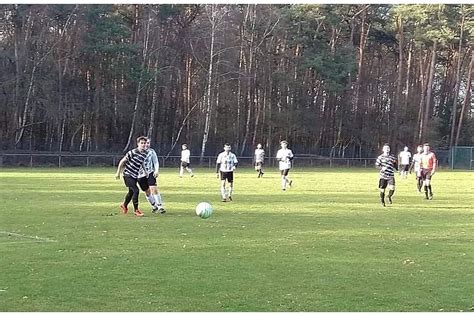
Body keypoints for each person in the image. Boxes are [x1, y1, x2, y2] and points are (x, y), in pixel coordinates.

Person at [115, 136, 149, 217]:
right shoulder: (132, 152)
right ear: (138, 144)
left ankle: (124, 205)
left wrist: (145, 171)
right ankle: (136, 210)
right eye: (142, 143)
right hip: (127, 174)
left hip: (135, 175)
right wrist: (118, 172)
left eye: (144, 143)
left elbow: (142, 162)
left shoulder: (145, 153)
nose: (143, 145)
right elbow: (122, 161)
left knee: (131, 192)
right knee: (136, 190)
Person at [138, 138, 165, 214]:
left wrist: (156, 170)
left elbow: (156, 162)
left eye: (148, 143)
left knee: (154, 189)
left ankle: (160, 206)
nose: (146, 144)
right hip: (140, 175)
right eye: (145, 143)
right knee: (147, 192)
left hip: (150, 172)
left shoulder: (152, 151)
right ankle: (154, 206)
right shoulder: (137, 152)